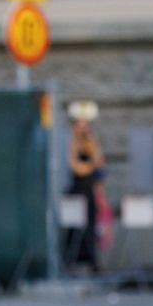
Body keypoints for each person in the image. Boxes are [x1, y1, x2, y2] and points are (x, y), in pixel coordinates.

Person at [63, 110, 106, 274]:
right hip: (76, 190)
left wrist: (91, 142)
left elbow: (99, 162)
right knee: (74, 226)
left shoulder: (90, 143)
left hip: (89, 191)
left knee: (90, 226)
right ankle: (71, 260)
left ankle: (91, 260)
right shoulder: (70, 142)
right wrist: (90, 167)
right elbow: (76, 167)